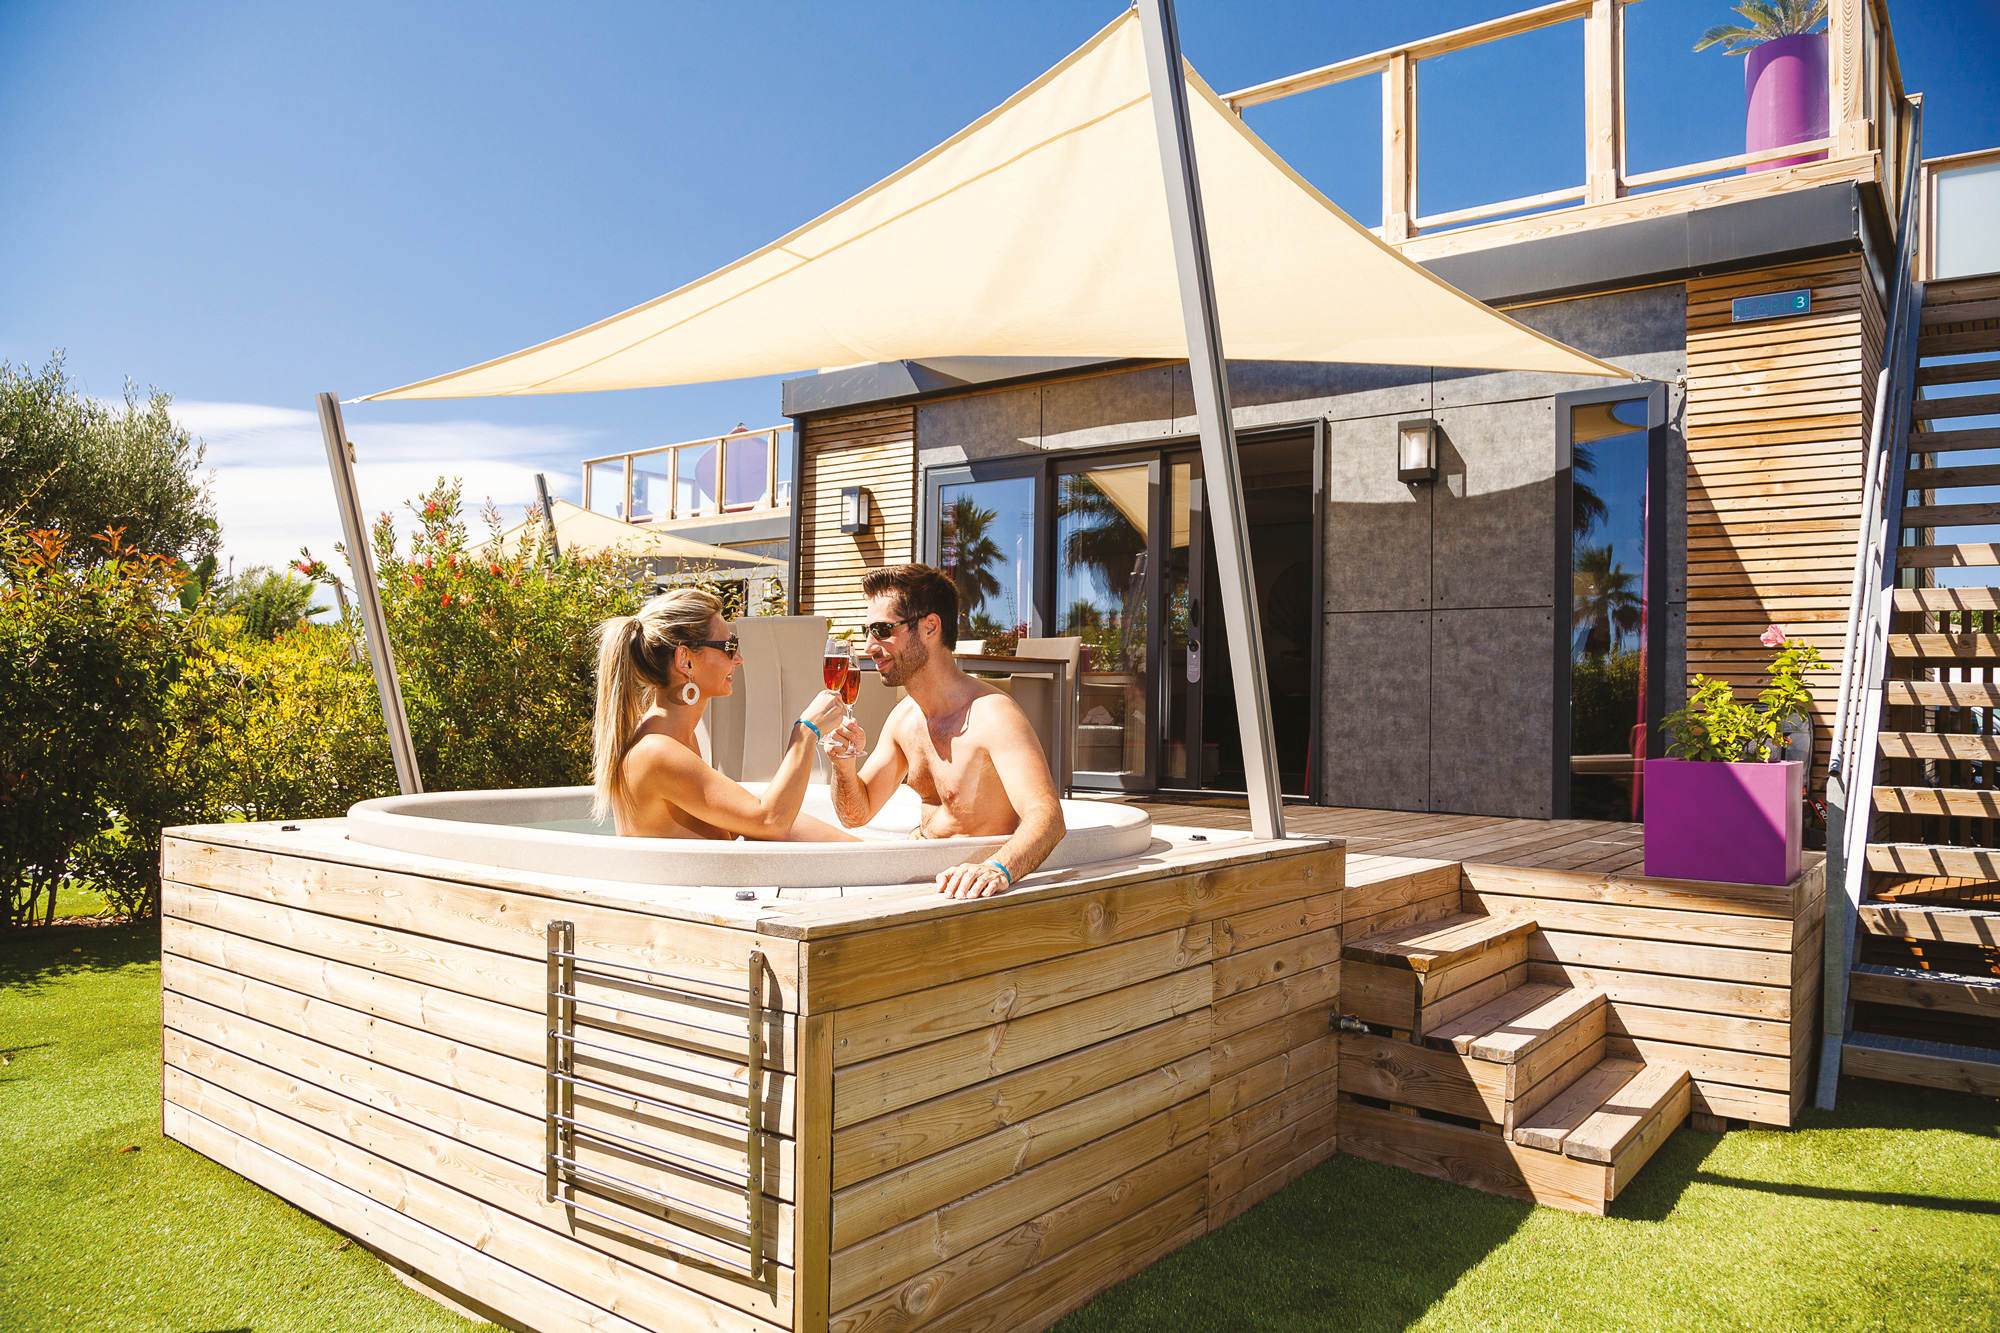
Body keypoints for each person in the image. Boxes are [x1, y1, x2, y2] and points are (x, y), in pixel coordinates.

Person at [821, 564, 1065, 896]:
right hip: (924, 880)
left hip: (971, 891)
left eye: (881, 630)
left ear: (930, 627)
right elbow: (855, 815)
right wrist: (843, 765)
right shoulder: (904, 718)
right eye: (868, 631)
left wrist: (997, 868)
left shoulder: (992, 715)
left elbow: (1048, 816)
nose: (868, 647)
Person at [592, 588, 856, 841]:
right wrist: (806, 730)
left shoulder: (674, 737)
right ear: (685, 660)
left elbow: (753, 823)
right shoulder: (657, 751)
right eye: (730, 646)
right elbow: (770, 822)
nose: (738, 658)